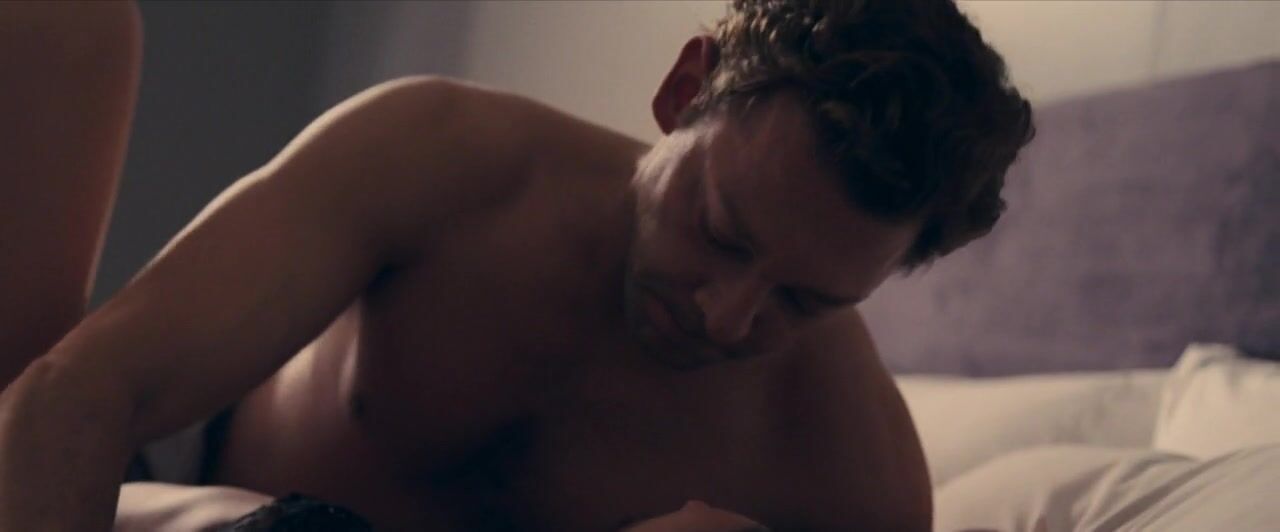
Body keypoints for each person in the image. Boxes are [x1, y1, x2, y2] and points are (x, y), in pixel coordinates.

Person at [0, 0, 1033, 530]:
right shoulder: (442, 158)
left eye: (804, 301)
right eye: (721, 231)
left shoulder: (849, 478)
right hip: (177, 489)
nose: (726, 317)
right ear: (683, 92)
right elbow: (76, 392)